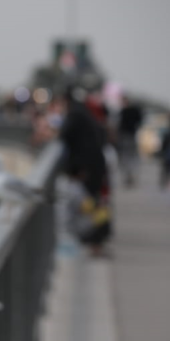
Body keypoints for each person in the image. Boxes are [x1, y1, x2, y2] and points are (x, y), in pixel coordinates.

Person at [58, 86, 112, 256]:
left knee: (92, 206)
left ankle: (96, 242)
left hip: (88, 170)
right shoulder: (83, 112)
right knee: (95, 204)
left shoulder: (74, 114)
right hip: (94, 167)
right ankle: (97, 243)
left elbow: (64, 134)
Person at [117, 95, 144, 187]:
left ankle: (129, 177)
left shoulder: (124, 111)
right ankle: (130, 176)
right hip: (131, 136)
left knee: (126, 158)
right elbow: (140, 121)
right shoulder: (135, 110)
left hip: (126, 136)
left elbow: (119, 124)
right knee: (131, 157)